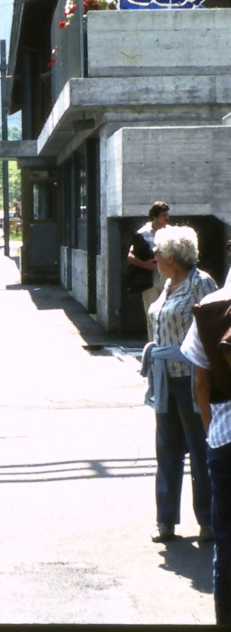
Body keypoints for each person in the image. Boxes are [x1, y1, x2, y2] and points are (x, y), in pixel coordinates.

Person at [140, 225, 215, 543]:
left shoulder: (201, 282)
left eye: (157, 251)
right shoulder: (168, 283)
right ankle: (166, 520)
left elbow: (214, 330)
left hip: (193, 379)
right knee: (167, 451)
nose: (153, 256)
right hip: (165, 380)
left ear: (171, 255)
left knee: (200, 451)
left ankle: (209, 521)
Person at [182, 266, 231, 624]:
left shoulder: (210, 308)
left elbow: (200, 383)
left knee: (227, 539)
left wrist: (210, 430)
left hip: (225, 437)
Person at [128, 201, 170, 335]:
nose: (167, 218)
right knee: (151, 313)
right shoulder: (142, 233)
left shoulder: (170, 232)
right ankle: (153, 346)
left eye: (167, 215)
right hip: (149, 277)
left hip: (167, 276)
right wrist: (145, 264)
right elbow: (130, 256)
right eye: (164, 215)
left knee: (168, 312)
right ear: (155, 216)